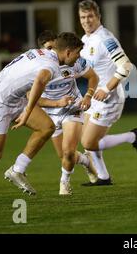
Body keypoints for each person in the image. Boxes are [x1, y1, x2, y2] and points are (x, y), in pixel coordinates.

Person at [0, 32, 84, 207]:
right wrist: (28, 113)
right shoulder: (51, 66)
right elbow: (39, 81)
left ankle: (17, 170)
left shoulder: (39, 52)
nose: (78, 57)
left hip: (14, 99)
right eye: (77, 53)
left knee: (46, 127)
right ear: (67, 52)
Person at [78, 0, 137, 186]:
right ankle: (103, 177)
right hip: (95, 97)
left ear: (98, 17)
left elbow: (126, 66)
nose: (86, 21)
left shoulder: (105, 39)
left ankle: (132, 137)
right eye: (83, 17)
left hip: (110, 99)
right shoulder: (86, 40)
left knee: (88, 142)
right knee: (85, 140)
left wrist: (106, 88)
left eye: (90, 16)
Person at [35, 30, 99, 195]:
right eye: (48, 48)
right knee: (63, 155)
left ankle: (64, 183)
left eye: (54, 46)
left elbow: (93, 77)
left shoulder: (75, 61)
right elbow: (32, 99)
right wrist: (56, 103)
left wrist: (88, 96)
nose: (52, 51)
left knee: (69, 151)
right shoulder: (39, 68)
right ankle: (85, 160)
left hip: (72, 108)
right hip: (50, 112)